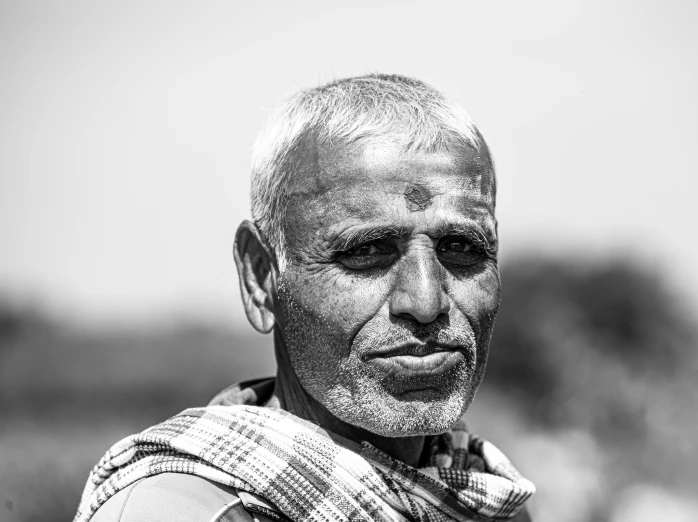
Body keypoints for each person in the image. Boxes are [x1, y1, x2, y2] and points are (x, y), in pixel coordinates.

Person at [74, 73, 535, 522]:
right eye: (367, 251)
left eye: (462, 248)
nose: (425, 301)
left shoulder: (483, 497)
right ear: (261, 278)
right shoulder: (178, 512)